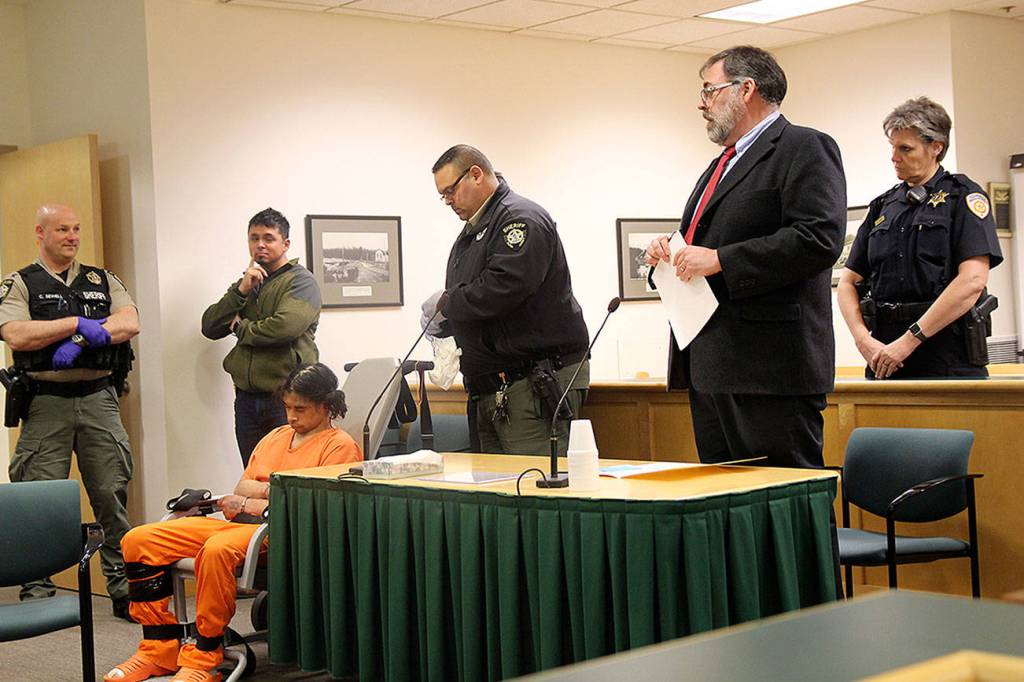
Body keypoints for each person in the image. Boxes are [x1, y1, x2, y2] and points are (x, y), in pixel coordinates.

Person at [645, 46, 846, 469]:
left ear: (746, 89)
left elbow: (818, 238)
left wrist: (721, 260)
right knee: (729, 510)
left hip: (770, 370)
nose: (701, 103)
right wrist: (668, 251)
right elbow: (702, 243)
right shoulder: (721, 164)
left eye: (709, 90)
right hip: (711, 365)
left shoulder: (804, 147)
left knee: (785, 504)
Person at [104, 362, 361, 682]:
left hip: (285, 531)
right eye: (287, 407)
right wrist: (272, 492)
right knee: (139, 540)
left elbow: (310, 506)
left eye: (300, 409)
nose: (291, 416)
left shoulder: (340, 447)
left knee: (216, 549)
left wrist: (257, 497)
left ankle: (204, 657)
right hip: (243, 523)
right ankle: (158, 648)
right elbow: (243, 486)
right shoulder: (276, 436)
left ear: (326, 406)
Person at [0, 203, 139, 618]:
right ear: (40, 233)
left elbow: (129, 322)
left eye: (76, 229)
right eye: (62, 229)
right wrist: (76, 325)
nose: (72, 236)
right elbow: (16, 334)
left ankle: (121, 589)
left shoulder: (102, 278)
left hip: (99, 399)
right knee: (37, 499)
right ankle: (37, 592)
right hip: (46, 402)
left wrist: (81, 343)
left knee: (112, 495)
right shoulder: (20, 283)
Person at [427, 144, 590, 456]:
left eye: (451, 190)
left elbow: (505, 287)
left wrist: (447, 305)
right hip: (491, 385)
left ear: (476, 174)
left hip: (532, 382)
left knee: (534, 488)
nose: (448, 201)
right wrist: (446, 320)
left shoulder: (519, 219)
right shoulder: (476, 229)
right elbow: (474, 297)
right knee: (496, 494)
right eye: (442, 195)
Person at [837, 97, 1003, 379]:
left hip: (947, 357)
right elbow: (848, 282)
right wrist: (862, 339)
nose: (894, 157)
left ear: (936, 147)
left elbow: (973, 281)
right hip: (885, 356)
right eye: (893, 148)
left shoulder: (962, 197)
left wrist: (909, 341)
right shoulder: (883, 206)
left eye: (905, 148)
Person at [202, 208, 321, 467]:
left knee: (287, 476)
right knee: (254, 474)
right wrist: (241, 290)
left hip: (286, 400)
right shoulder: (250, 282)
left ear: (285, 243)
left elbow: (284, 327)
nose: (260, 245)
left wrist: (239, 328)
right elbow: (210, 326)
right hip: (246, 400)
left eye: (268, 238)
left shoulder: (301, 281)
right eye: (254, 238)